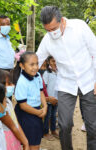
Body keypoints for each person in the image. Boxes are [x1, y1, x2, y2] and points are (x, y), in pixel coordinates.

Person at [36, 5, 96, 150]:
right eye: (47, 30)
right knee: (64, 124)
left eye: (53, 29)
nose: (51, 33)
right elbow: (35, 60)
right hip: (66, 84)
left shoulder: (80, 27)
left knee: (92, 126)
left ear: (62, 21)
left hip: (88, 80)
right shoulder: (47, 40)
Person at [0, 69, 29, 150]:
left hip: (14, 136)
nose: (13, 85)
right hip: (7, 140)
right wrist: (25, 142)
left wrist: (24, 139)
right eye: (9, 83)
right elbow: (12, 126)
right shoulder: (0, 108)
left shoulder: (7, 101)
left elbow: (15, 122)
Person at [14, 51, 47, 150]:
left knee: (35, 141)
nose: (36, 67)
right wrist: (38, 112)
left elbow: (41, 92)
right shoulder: (22, 82)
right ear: (22, 66)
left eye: (37, 63)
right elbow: (23, 105)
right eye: (32, 64)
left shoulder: (38, 76)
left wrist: (45, 106)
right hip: (26, 115)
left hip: (37, 112)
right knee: (29, 143)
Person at [43, 56, 58, 140]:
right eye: (52, 61)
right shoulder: (47, 73)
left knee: (53, 116)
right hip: (49, 99)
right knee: (47, 116)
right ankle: (45, 132)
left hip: (56, 99)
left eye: (56, 61)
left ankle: (53, 130)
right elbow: (45, 87)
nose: (54, 63)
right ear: (48, 62)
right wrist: (47, 98)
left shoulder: (58, 72)